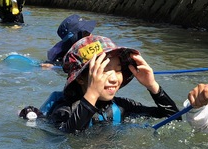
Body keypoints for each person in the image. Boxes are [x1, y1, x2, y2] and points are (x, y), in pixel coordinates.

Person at [40, 35, 180, 133]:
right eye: (104, 71)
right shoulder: (65, 110)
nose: (113, 78)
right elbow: (66, 135)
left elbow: (173, 118)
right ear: (80, 78)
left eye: (118, 69)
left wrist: (152, 86)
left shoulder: (122, 106)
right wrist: (92, 93)